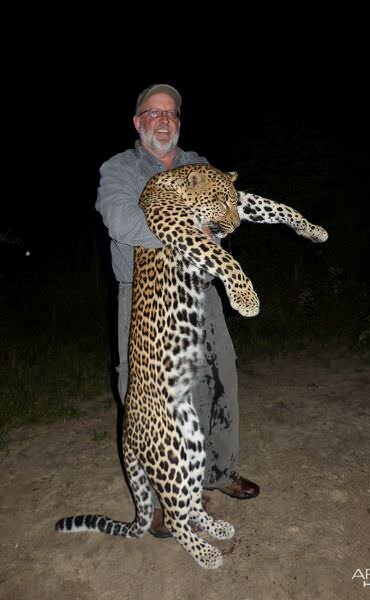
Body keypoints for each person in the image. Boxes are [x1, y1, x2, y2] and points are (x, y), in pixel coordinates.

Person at [95, 83, 259, 538]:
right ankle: (166, 496)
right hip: (145, 298)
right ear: (137, 123)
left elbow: (224, 221)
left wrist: (214, 231)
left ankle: (220, 474)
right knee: (151, 401)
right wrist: (191, 229)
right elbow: (123, 222)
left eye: (169, 114)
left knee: (221, 381)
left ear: (179, 123)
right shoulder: (120, 169)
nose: (162, 121)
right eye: (152, 113)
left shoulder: (199, 165)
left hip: (199, 290)